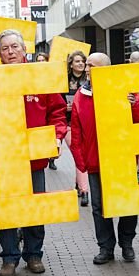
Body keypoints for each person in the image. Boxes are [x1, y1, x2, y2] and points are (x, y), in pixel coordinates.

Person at [0, 30, 67, 276]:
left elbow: (56, 110)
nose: (10, 52)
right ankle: (9, 257)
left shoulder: (39, 76)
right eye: (5, 48)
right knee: (5, 209)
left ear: (25, 49)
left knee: (35, 208)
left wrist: (56, 135)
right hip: (4, 159)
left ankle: (34, 254)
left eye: (14, 47)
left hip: (34, 156)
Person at [70, 52, 139, 264]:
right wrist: (81, 161)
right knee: (99, 207)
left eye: (92, 66)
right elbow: (76, 130)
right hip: (96, 162)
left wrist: (133, 103)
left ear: (106, 68)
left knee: (128, 204)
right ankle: (106, 247)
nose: (87, 69)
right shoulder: (81, 95)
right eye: (86, 65)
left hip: (121, 159)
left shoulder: (124, 89)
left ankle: (127, 243)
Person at [64, 50, 88, 180]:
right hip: (69, 124)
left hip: (86, 124)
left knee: (82, 155)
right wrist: (64, 107)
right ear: (71, 64)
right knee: (77, 153)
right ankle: (84, 191)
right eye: (77, 61)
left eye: (82, 61)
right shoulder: (64, 79)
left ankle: (80, 185)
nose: (81, 64)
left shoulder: (89, 79)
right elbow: (57, 100)